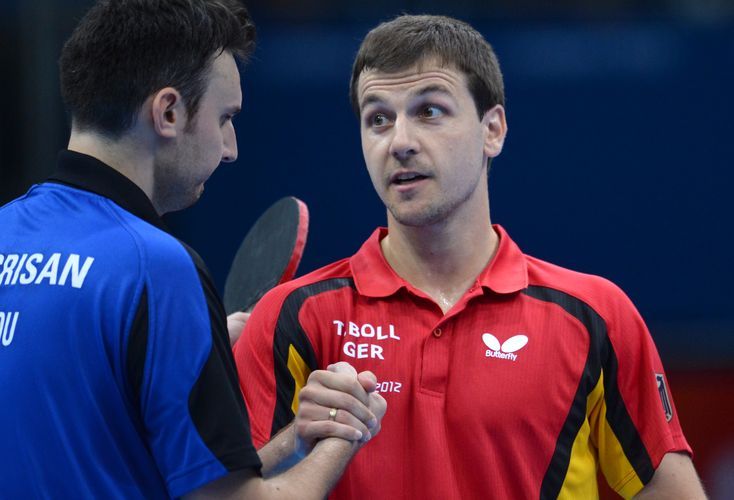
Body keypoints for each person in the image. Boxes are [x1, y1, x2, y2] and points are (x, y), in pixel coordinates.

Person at [233, 14, 706, 499]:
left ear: (492, 130)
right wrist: (297, 439)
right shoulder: (295, 316)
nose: (399, 142)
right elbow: (228, 491)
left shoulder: (596, 315)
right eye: (378, 118)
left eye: (430, 111)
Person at [0, 0, 385, 498]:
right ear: (168, 112)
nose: (231, 148)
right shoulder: (157, 270)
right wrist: (340, 429)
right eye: (225, 118)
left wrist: (170, 351)